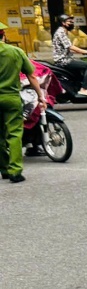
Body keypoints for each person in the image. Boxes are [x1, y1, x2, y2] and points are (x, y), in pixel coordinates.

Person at [0, 32, 37, 183]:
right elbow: (32, 75)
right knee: (14, 134)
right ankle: (15, 171)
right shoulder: (16, 51)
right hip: (11, 98)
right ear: (3, 35)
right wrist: (40, 96)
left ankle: (4, 168)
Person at [51, 13, 87, 96]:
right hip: (63, 61)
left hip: (66, 59)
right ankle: (84, 89)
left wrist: (85, 51)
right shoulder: (61, 32)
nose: (72, 23)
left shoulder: (64, 32)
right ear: (63, 23)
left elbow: (68, 48)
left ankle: (77, 89)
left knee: (81, 70)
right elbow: (70, 47)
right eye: (70, 21)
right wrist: (86, 52)